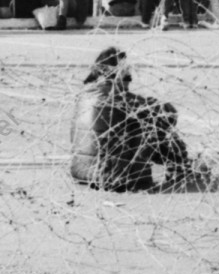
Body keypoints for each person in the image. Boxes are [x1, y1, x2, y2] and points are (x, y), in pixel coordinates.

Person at [68, 48, 198, 193]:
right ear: (119, 72)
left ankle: (179, 164)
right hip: (116, 177)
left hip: (81, 172)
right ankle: (180, 165)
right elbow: (169, 112)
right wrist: (147, 102)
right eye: (127, 72)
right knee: (153, 122)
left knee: (139, 120)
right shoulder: (119, 97)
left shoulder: (84, 95)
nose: (130, 77)